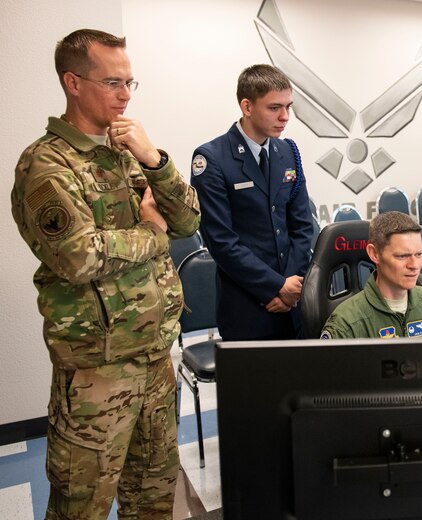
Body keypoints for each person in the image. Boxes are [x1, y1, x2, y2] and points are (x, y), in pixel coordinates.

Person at [10, 29, 200, 519]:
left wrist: (155, 160)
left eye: (130, 83)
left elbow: (189, 221)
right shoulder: (46, 164)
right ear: (73, 82)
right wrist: (153, 233)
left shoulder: (125, 151)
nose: (124, 95)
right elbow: (79, 257)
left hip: (156, 358)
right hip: (98, 372)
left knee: (155, 496)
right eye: (112, 82)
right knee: (82, 507)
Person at [191, 64, 314, 341]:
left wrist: (292, 288)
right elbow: (221, 241)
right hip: (248, 305)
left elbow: (303, 226)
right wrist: (275, 286)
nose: (285, 117)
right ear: (247, 106)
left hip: (293, 302)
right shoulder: (212, 159)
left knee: (299, 382)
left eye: (288, 107)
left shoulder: (288, 152)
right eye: (274, 108)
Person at [320, 212, 422, 339]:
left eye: (419, 254)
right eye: (402, 256)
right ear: (374, 254)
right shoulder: (346, 323)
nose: (414, 265)